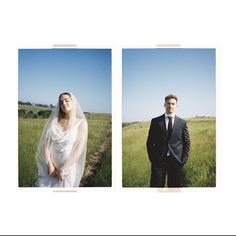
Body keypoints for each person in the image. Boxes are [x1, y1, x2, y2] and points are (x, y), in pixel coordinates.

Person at [35, 92, 88, 187]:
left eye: (66, 100)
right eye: (61, 102)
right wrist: (49, 164)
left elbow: (78, 149)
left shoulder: (81, 123)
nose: (63, 103)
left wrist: (63, 169)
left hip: (67, 168)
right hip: (50, 168)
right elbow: (45, 144)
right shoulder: (54, 121)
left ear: (73, 102)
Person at [146, 94, 190, 187]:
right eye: (168, 103)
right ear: (164, 104)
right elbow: (150, 142)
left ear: (176, 106)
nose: (170, 106)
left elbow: (187, 142)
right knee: (156, 187)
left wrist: (183, 160)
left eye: (173, 104)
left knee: (174, 189)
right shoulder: (155, 121)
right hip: (158, 161)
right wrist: (153, 159)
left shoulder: (182, 123)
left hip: (176, 161)